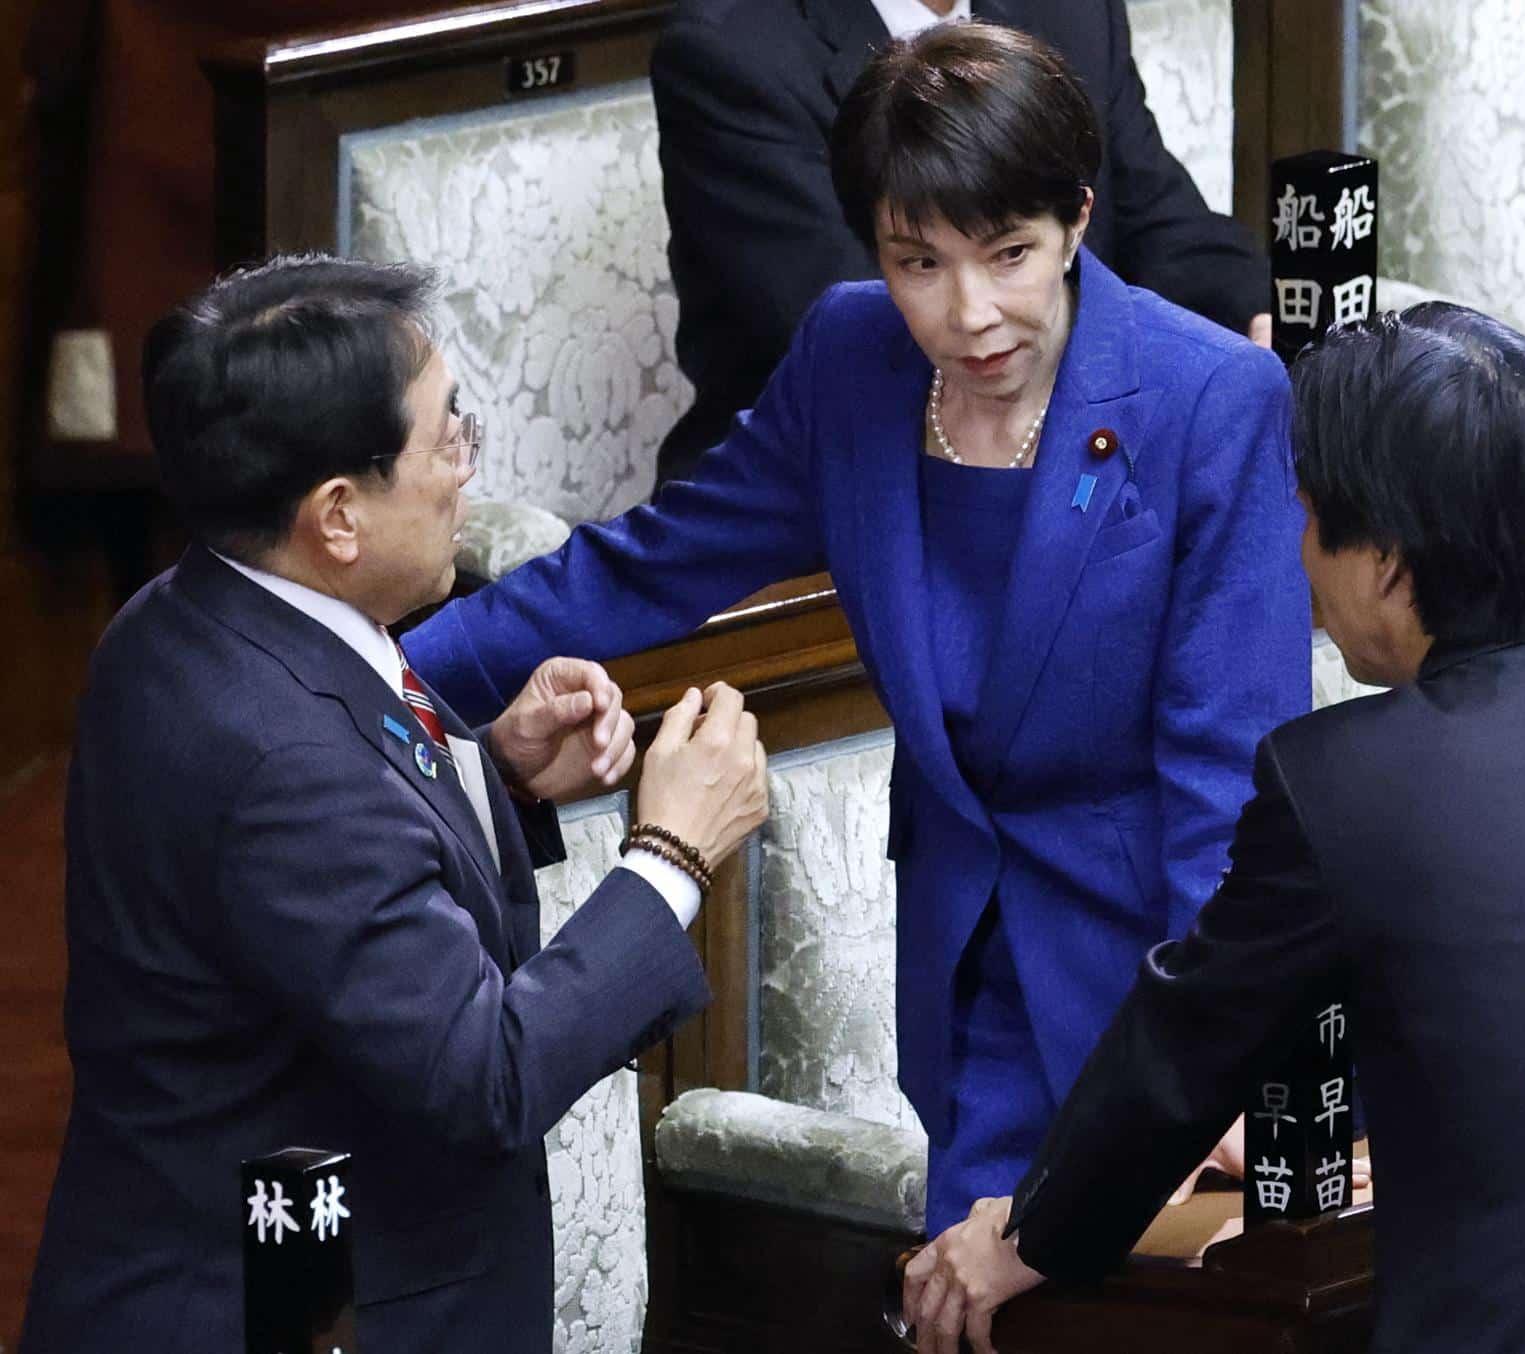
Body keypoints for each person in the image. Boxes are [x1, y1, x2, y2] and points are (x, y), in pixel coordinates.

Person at [402, 23, 1311, 1233]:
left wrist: (1213, 1061)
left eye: (1011, 255)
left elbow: (1229, 788)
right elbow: (651, 565)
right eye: (919, 262)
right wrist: (377, 682)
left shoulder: (1212, 400)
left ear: (1078, 220)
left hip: (1149, 981)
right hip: (966, 976)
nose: (970, 311)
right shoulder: (850, 357)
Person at [904, 303, 1525, 1354]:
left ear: (1383, 560)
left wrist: (1031, 1233)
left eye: (1311, 520)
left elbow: (1181, 1056)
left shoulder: (1344, 782)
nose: (1301, 563)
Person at [20, 256, 768, 1352]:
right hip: (295, 1309)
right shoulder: (276, 756)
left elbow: (314, 889)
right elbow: (486, 1074)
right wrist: (672, 851)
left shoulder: (183, 619)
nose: (466, 470)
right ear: (337, 516)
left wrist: (494, 770)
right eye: (443, 439)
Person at [647, 0, 1271, 491]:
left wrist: (1254, 327)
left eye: (1010, 252)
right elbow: (863, 328)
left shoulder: (1070, 8)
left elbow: (1158, 217)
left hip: (1084, 455)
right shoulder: (731, 48)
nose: (976, 304)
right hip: (825, 490)